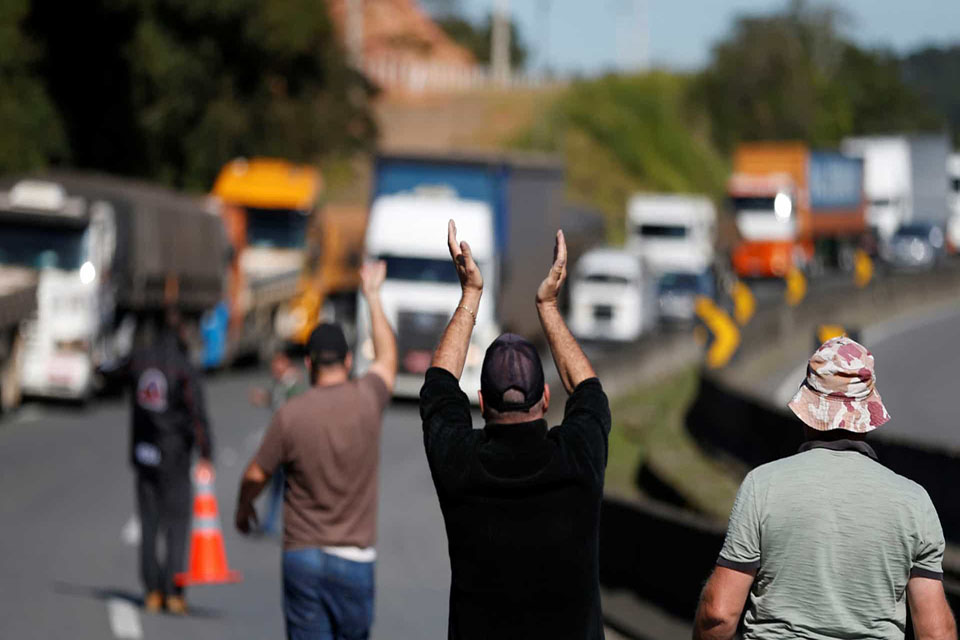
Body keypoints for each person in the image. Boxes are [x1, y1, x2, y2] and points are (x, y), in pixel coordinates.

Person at [419, 221, 611, 639]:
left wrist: (470, 295)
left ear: (482, 403)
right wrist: (548, 307)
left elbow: (439, 386)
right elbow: (588, 390)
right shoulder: (579, 456)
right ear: (544, 397)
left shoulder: (460, 462)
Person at [694, 337, 957, 640]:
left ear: (807, 413)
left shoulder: (762, 486)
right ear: (867, 418)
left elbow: (718, 613)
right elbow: (936, 633)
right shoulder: (914, 502)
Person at [235, 261, 396, 640]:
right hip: (355, 559)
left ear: (308, 364)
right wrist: (372, 295)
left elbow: (256, 474)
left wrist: (244, 507)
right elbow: (388, 358)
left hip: (302, 556)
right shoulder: (368, 399)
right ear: (348, 361)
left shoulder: (291, 415)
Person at [129, 309, 213, 615]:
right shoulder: (183, 368)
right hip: (174, 457)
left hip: (143, 454)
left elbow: (110, 370)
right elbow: (197, 415)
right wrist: (206, 453)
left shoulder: (139, 361)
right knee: (176, 526)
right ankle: (173, 591)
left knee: (149, 525)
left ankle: (151, 591)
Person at [248, 350, 306, 536]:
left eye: (277, 365)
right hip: (279, 445)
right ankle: (270, 523)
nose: (274, 369)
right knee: (275, 487)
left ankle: (293, 526)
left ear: (286, 363)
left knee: (291, 489)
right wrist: (263, 398)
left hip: (289, 446)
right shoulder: (282, 384)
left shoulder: (294, 386)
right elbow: (275, 399)